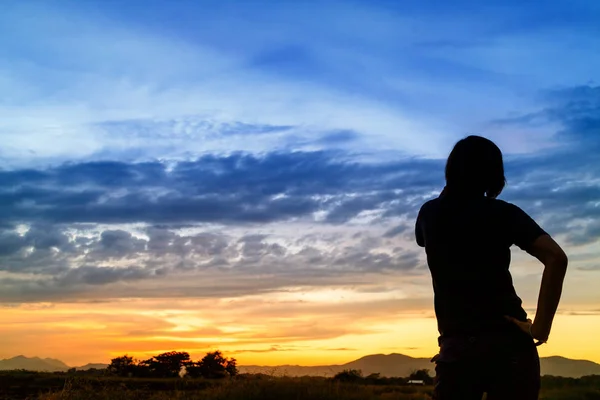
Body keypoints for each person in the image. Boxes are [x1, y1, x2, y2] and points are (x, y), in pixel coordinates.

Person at [415, 135, 568, 400]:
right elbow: (556, 258)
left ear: (450, 171)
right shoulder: (503, 214)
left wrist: (449, 190)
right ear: (494, 175)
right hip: (508, 345)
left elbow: (422, 237)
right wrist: (540, 328)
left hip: (458, 348)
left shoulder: (430, 214)